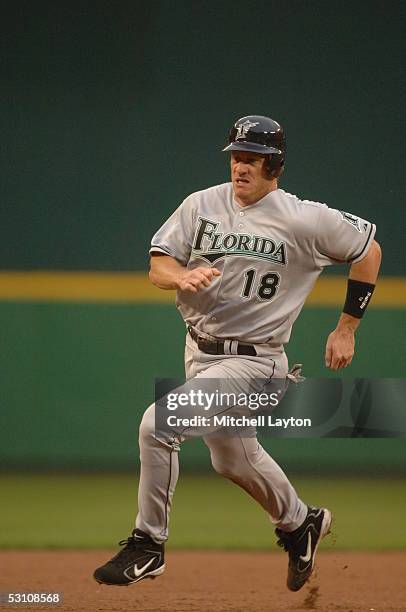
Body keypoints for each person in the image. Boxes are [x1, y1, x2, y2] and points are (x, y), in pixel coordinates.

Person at [93, 115, 382, 592]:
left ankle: (148, 544)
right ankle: (300, 522)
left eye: (253, 157)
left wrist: (347, 326)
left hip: (256, 361)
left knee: (158, 424)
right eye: (236, 156)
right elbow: (159, 262)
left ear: (276, 164)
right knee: (231, 459)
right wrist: (178, 277)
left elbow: (368, 250)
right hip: (200, 351)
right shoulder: (201, 204)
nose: (241, 165)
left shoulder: (305, 218)